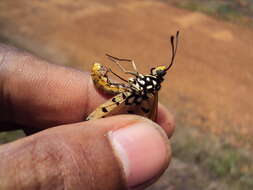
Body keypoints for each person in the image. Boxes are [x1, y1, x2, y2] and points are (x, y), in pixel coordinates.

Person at [0, 43, 175, 190]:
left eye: (159, 72)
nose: (157, 70)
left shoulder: (149, 90)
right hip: (124, 95)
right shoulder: (146, 83)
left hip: (119, 105)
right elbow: (132, 74)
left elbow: (134, 80)